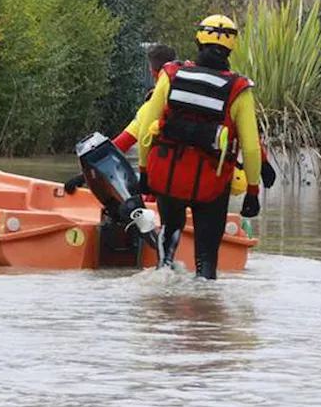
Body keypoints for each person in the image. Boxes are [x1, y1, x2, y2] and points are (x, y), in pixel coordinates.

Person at [130, 15, 262, 280]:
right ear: (232, 46)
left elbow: (146, 127)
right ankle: (205, 311)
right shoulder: (239, 89)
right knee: (206, 262)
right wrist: (252, 191)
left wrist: (144, 171)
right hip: (212, 185)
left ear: (198, 40)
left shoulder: (171, 74)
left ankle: (164, 284)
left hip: (169, 177)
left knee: (168, 243)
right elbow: (251, 148)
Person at [64, 42, 276, 195]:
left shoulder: (151, 108)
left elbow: (119, 146)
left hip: (165, 188)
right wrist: (263, 165)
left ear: (154, 72)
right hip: (206, 189)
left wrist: (84, 178)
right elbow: (244, 133)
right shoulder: (211, 93)